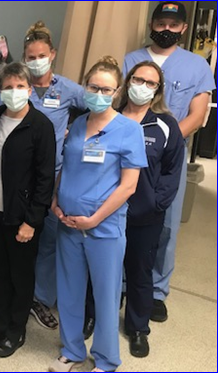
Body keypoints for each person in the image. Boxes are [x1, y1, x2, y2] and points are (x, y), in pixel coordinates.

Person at [48, 56, 147, 373]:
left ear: (117, 92)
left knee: (105, 297)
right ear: (85, 86)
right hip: (67, 223)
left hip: (103, 229)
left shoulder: (128, 130)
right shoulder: (78, 123)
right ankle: (73, 350)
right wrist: (55, 199)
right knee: (69, 292)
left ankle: (106, 360)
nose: (99, 94)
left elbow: (128, 186)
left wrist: (94, 219)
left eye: (107, 89)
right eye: (93, 87)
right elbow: (69, 167)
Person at [123, 1, 216, 323]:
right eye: (161, 23)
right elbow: (119, 102)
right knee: (119, 219)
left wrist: (165, 143)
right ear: (151, 24)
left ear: (184, 29)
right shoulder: (132, 60)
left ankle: (156, 291)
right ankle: (123, 283)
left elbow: (198, 114)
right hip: (125, 156)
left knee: (162, 227)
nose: (166, 29)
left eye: (173, 25)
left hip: (165, 160)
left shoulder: (198, 66)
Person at [0, 62, 56, 358]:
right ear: (0, 91)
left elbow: (45, 180)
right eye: (8, 87)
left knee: (20, 274)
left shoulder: (40, 126)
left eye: (20, 87)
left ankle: (16, 330)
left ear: (30, 90)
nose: (14, 92)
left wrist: (32, 221)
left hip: (22, 217)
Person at [21, 21, 87, 331]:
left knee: (48, 240)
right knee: (19, 238)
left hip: (52, 179)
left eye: (41, 55)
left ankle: (41, 297)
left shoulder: (68, 90)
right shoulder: (18, 87)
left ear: (53, 54)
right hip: (20, 177)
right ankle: (17, 291)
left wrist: (76, 134)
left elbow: (99, 109)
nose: (36, 62)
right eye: (31, 57)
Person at [118, 61, 184, 357]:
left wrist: (156, 203)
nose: (142, 87)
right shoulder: (110, 116)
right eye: (138, 79)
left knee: (139, 272)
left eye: (150, 83)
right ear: (128, 80)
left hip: (145, 215)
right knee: (100, 270)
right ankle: (92, 317)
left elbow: (172, 173)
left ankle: (137, 328)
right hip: (106, 213)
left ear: (158, 90)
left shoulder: (165, 126)